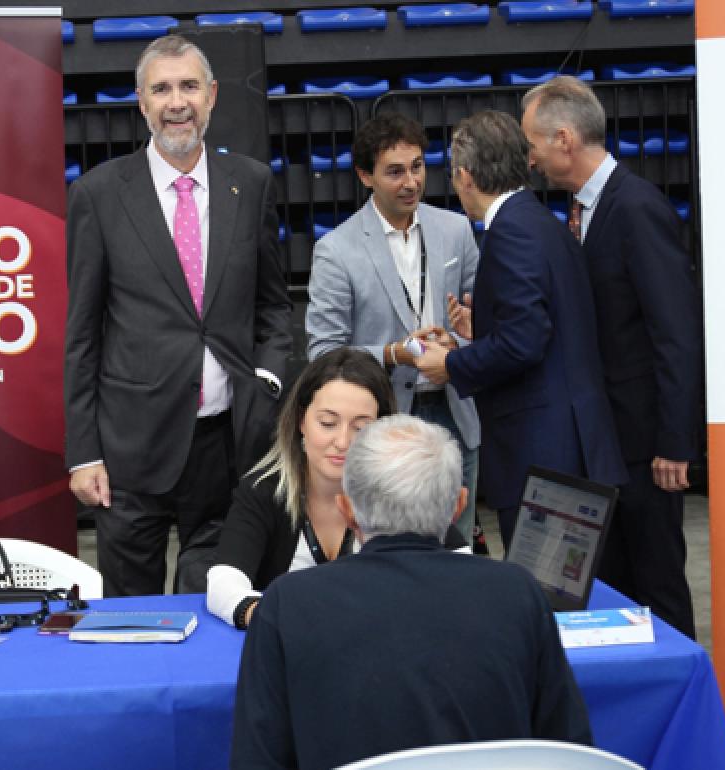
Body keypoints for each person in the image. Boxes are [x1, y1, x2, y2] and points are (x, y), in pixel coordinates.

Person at [63, 35, 292, 596]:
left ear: (212, 95)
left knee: (218, 598)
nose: (177, 102)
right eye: (161, 89)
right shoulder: (99, 195)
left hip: (229, 444)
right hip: (129, 450)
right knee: (132, 616)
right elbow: (82, 336)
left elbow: (273, 308)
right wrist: (84, 452)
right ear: (141, 103)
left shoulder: (253, 183)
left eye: (189, 85)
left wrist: (266, 383)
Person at [231, 415, 591, 770]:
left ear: (347, 510)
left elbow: (257, 759)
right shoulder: (517, 592)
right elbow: (570, 752)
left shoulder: (287, 603)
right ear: (458, 506)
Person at [520, 76, 699, 639]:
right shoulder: (586, 209)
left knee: (659, 587)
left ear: (565, 139)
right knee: (616, 588)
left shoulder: (637, 208)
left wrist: (675, 442)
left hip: (648, 448)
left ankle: (679, 705)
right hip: (608, 445)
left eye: (534, 144)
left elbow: (676, 334)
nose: (530, 159)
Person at [413, 110, 626, 548]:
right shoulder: (540, 223)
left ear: (467, 176)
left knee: (551, 598)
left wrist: (452, 362)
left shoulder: (510, 233)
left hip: (545, 459)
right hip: (570, 448)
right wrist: (480, 331)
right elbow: (548, 326)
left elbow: (524, 341)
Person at [306, 112, 481, 547]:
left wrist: (455, 345)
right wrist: (391, 354)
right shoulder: (336, 250)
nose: (411, 182)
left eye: (418, 167)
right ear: (366, 175)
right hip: (382, 417)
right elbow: (324, 353)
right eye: (395, 172)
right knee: (383, 547)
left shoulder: (456, 230)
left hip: (454, 410)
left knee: (454, 547)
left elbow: (484, 321)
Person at [206, 348, 396, 629]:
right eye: (328, 423)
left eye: (361, 427)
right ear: (300, 421)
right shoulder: (264, 489)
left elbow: (458, 562)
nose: (343, 442)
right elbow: (224, 580)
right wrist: (273, 619)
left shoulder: (402, 490)